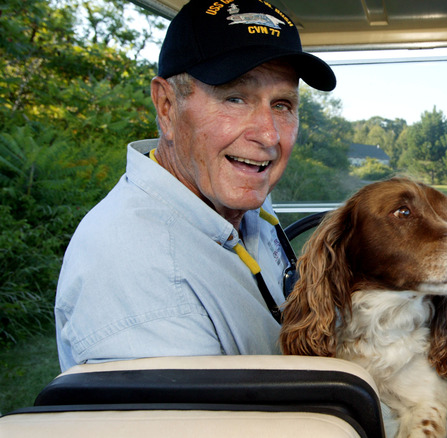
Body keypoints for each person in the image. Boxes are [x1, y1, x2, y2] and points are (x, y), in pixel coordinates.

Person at [55, 0, 336, 371]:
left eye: (282, 104)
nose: (269, 135)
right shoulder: (143, 272)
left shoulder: (233, 196)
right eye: (235, 98)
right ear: (167, 106)